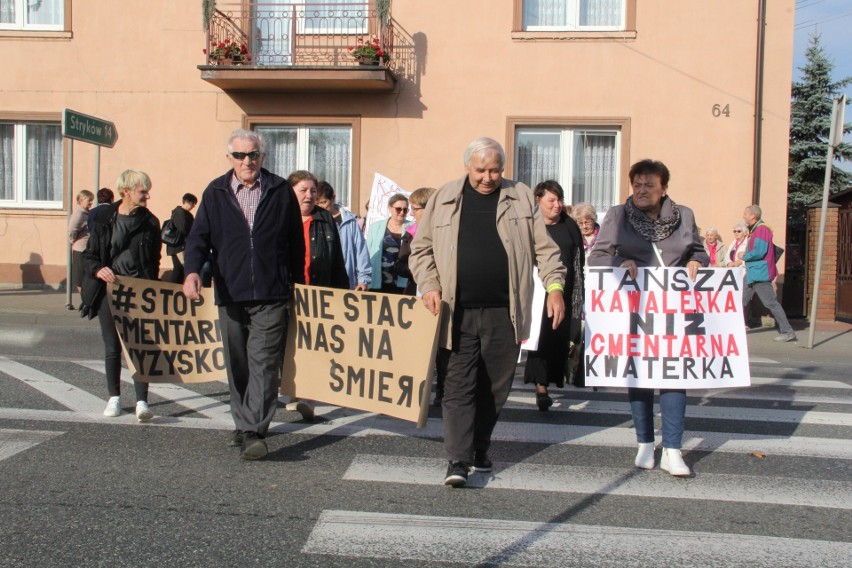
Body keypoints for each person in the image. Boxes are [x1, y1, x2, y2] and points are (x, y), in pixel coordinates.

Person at [409, 137, 566, 487]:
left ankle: (480, 446)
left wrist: (555, 289)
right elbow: (421, 250)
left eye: (495, 169)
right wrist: (430, 285)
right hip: (455, 311)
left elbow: (546, 250)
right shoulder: (445, 197)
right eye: (481, 169)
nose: (488, 177)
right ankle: (458, 459)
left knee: (495, 387)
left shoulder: (522, 197)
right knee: (457, 385)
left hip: (505, 312)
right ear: (468, 167)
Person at [182, 129, 305, 461]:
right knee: (238, 365)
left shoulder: (280, 190)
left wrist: (300, 284)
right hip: (231, 292)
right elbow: (197, 239)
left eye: (253, 155)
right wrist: (192, 271)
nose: (247, 161)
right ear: (229, 158)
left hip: (272, 292)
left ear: (262, 157)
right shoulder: (216, 191)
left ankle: (254, 430)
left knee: (264, 363)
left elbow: (296, 241)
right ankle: (243, 421)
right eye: (240, 155)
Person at [588, 159, 709, 477]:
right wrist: (621, 260)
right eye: (636, 184)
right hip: (634, 305)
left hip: (673, 307)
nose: (641, 190)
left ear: (664, 189)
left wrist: (696, 261)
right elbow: (598, 255)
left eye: (648, 185)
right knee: (639, 374)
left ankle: (672, 449)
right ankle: (644, 441)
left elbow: (699, 250)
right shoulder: (617, 215)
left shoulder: (685, 216)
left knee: (673, 375)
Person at [79, 170, 160, 421]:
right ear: (127, 191)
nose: (147, 195)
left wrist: (150, 288)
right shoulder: (105, 217)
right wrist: (98, 269)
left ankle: (142, 401)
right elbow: (89, 255)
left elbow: (154, 259)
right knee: (112, 347)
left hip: (138, 293)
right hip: (108, 291)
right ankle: (114, 397)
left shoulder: (151, 222)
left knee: (139, 347)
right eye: (142, 191)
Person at [523, 181, 584, 411]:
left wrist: (579, 292)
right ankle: (541, 388)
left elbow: (579, 261)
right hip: (538, 295)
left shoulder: (569, 225)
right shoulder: (531, 226)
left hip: (566, 293)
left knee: (560, 339)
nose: (557, 205)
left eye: (560, 200)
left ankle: (556, 377)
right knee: (540, 338)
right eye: (552, 200)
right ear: (539, 201)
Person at [394, 187, 447, 406]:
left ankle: (443, 390)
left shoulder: (446, 230)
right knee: (419, 347)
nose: (411, 213)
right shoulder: (411, 232)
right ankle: (417, 390)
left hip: (443, 296)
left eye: (414, 209)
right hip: (416, 294)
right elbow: (400, 264)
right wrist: (421, 271)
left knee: (442, 348)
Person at [738, 204, 796, 342]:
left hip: (760, 274)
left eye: (746, 213)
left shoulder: (762, 229)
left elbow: (759, 251)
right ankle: (734, 328)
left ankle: (788, 331)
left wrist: (744, 256)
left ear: (753, 216)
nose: (744, 216)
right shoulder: (757, 230)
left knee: (770, 303)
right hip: (754, 273)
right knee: (740, 300)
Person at [316, 180, 371, 290]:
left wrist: (363, 279)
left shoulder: (350, 221)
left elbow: (360, 251)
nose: (320, 207)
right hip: (320, 281)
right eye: (317, 203)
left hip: (346, 281)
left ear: (333, 198)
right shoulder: (315, 219)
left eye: (323, 202)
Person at [366, 193, 413, 294]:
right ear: (390, 208)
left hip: (403, 283)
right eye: (398, 209)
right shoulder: (375, 227)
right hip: (378, 282)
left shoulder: (412, 228)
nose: (402, 212)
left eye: (405, 210)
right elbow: (367, 253)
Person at [165, 193, 198, 284]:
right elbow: (183, 228)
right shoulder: (179, 212)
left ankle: (177, 288)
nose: (193, 206)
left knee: (180, 269)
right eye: (192, 203)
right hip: (177, 247)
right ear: (186, 202)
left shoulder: (188, 215)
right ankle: (173, 289)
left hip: (183, 246)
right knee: (179, 268)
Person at [68, 189, 94, 294]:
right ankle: (84, 301)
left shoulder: (86, 213)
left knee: (84, 277)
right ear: (81, 200)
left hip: (86, 248)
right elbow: (72, 229)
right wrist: (72, 240)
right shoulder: (79, 213)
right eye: (89, 200)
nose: (91, 203)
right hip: (80, 249)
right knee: (80, 278)